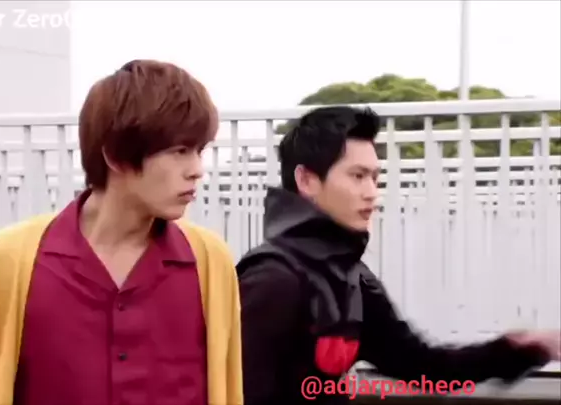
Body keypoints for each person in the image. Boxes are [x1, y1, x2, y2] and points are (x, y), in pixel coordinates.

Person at [236, 105, 561, 404]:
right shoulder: (273, 279)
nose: (371, 193)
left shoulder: (352, 278)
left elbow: (423, 365)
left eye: (375, 178)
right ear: (307, 180)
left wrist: (520, 350)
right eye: (357, 176)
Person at [0, 59, 243, 405]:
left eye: (199, 151)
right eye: (180, 151)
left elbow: (229, 390)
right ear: (115, 155)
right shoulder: (7, 260)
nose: (197, 170)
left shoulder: (209, 260)